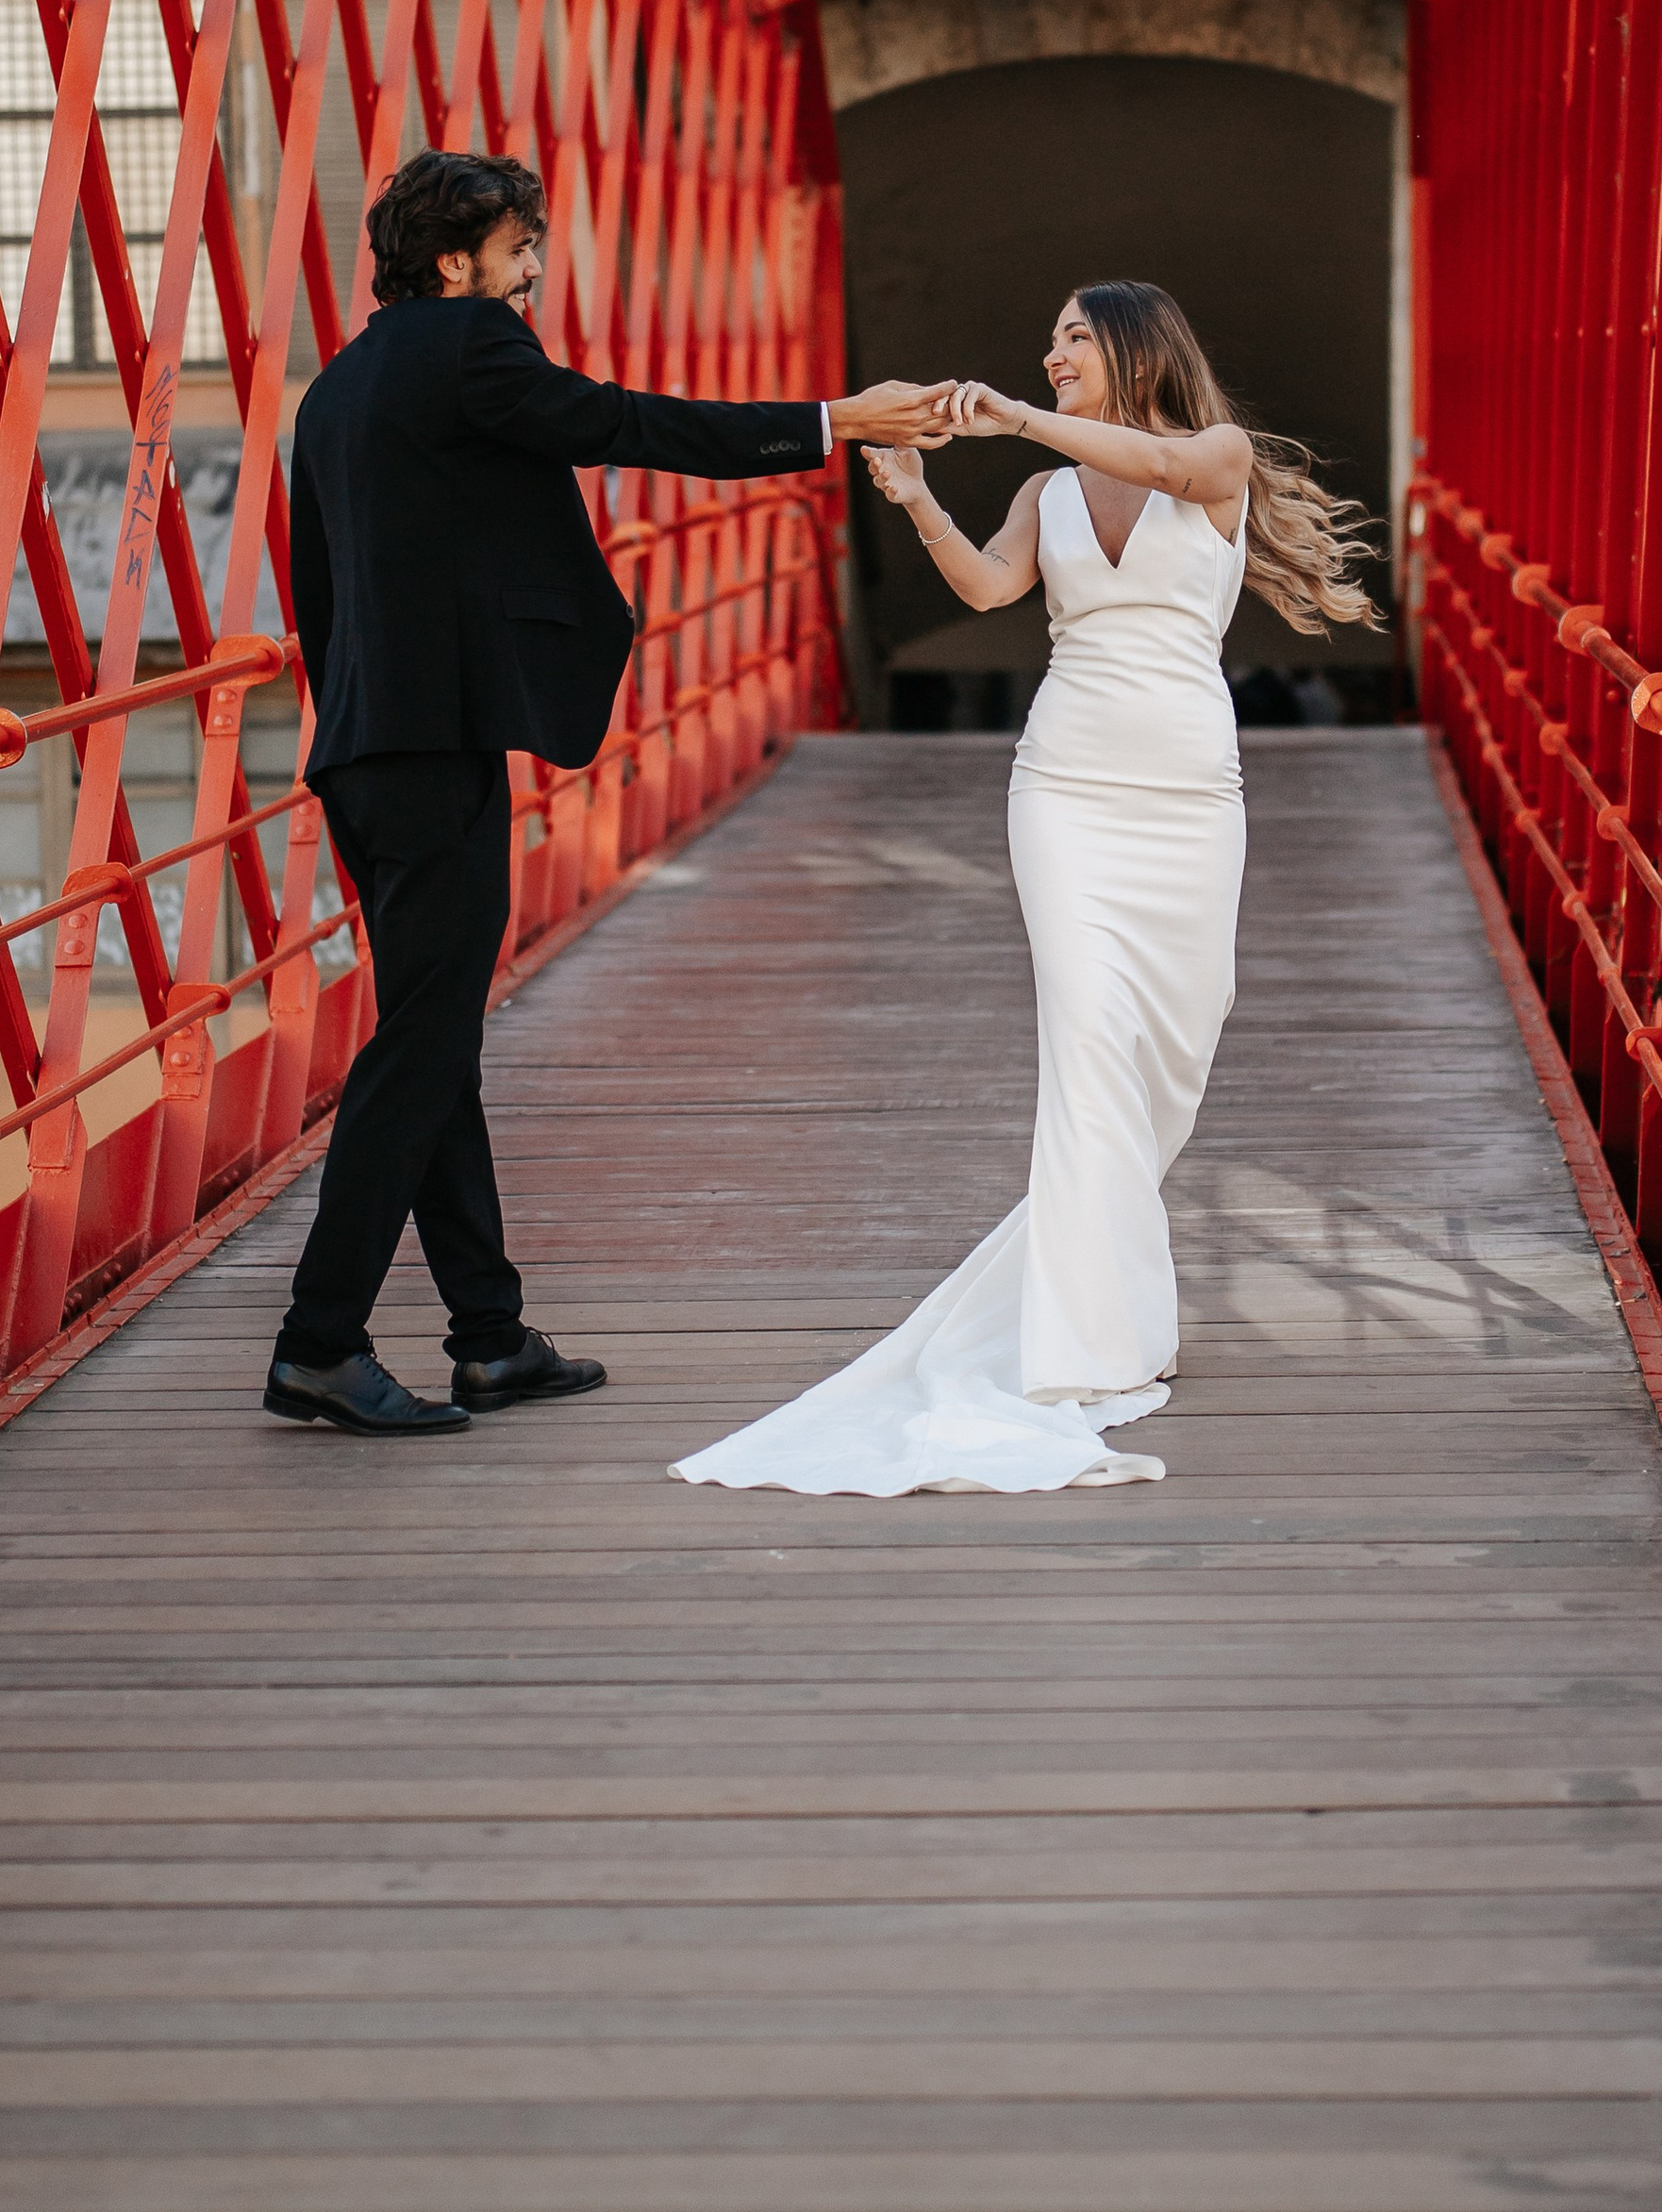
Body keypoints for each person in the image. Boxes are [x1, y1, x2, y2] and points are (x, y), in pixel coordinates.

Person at [270, 147, 949, 1439]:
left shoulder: (340, 385)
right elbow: (626, 424)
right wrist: (834, 422)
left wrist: (372, 716)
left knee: (434, 1035)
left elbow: (318, 586)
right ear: (456, 262)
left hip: (365, 746)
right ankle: (318, 1341)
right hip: (430, 750)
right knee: (421, 1046)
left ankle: (488, 1337)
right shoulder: (471, 345)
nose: (534, 270)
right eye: (519, 249)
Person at [673, 279, 1377, 1496]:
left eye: (1074, 339)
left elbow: (1160, 467)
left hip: (1190, 803)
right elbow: (991, 590)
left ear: (1136, 350)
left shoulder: (1215, 457)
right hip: (1065, 790)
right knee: (1089, 1043)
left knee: (1175, 1053)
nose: (1052, 355)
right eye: (1048, 342)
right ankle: (1094, 1340)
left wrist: (1013, 416)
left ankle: (1103, 1298)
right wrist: (918, 497)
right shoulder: (1043, 493)